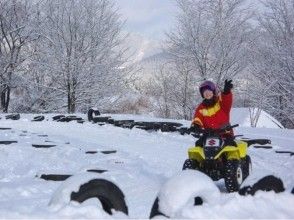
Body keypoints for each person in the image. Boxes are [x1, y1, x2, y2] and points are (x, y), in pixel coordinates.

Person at [190, 79, 235, 146]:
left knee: (229, 148)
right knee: (198, 145)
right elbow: (197, 118)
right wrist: (196, 125)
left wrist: (226, 92)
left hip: (225, 133)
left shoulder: (220, 103)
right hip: (209, 134)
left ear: (213, 92)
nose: (207, 94)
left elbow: (227, 100)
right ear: (202, 95)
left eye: (209, 91)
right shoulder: (201, 107)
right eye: (204, 92)